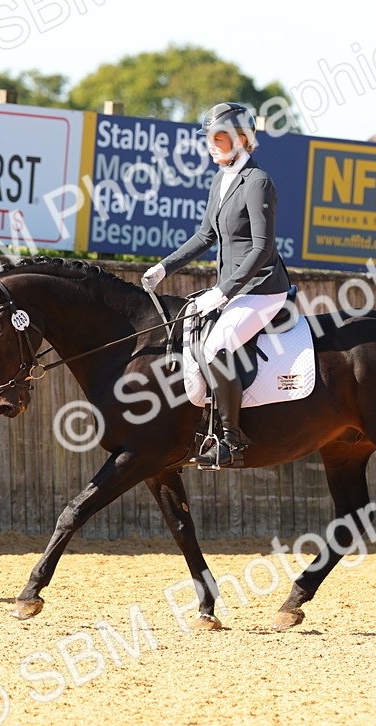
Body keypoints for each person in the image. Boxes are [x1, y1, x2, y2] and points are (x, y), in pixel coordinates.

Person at [143, 102, 291, 469]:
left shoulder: (257, 182)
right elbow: (205, 235)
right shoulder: (221, 178)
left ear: (242, 139)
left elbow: (262, 248)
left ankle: (231, 442)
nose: (211, 144)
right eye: (208, 138)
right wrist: (165, 267)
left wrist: (225, 291)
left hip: (262, 288)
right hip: (234, 287)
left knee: (217, 344)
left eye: (219, 137)